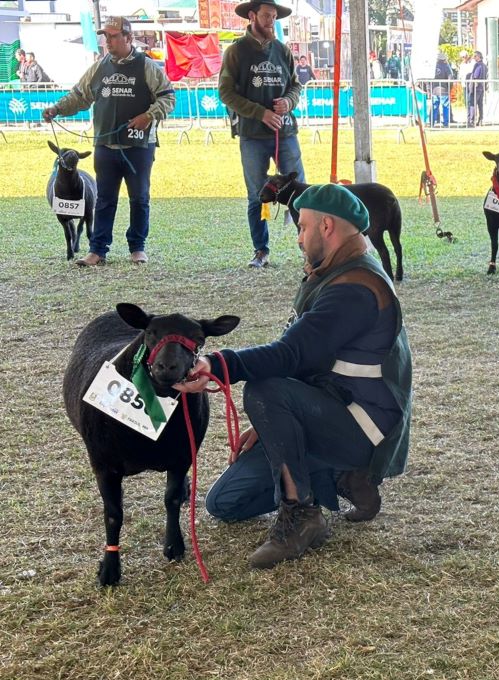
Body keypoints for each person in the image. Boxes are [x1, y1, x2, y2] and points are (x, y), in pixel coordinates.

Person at [175, 183, 413, 570]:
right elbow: (308, 357)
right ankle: (341, 477)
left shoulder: (354, 287)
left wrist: (217, 366)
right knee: (225, 503)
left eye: (302, 227)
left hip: (362, 425)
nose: (299, 239)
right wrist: (274, 425)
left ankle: (303, 514)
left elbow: (290, 355)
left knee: (265, 389)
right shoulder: (338, 270)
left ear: (327, 227)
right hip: (333, 408)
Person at [43, 17, 175, 266]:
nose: (108, 41)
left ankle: (137, 247)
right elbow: (79, 97)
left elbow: (168, 98)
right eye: (106, 36)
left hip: (139, 145)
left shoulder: (147, 66)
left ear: (128, 37)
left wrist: (148, 116)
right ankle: (97, 250)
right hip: (105, 146)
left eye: (113, 36)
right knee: (104, 199)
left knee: (139, 198)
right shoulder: (98, 67)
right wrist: (56, 108)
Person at [219, 0, 305, 269]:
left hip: (285, 131)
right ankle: (260, 250)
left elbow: (295, 86)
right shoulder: (236, 51)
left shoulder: (282, 50)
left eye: (274, 16)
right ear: (252, 16)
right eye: (267, 16)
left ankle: (310, 247)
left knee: (300, 190)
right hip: (252, 134)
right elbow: (226, 93)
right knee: (257, 193)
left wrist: (289, 103)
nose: (271, 21)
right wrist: (260, 112)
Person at [432, 52, 453, 127]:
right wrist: (449, 88)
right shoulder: (446, 67)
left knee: (434, 107)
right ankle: (446, 123)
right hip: (444, 90)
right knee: (445, 107)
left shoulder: (433, 67)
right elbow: (450, 78)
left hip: (434, 90)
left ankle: (432, 123)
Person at [468, 51, 487, 127]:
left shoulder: (477, 65)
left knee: (473, 104)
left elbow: (475, 76)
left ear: (479, 56)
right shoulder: (484, 66)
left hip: (476, 87)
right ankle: (480, 120)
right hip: (481, 87)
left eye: (475, 56)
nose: (474, 58)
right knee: (480, 105)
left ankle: (472, 121)